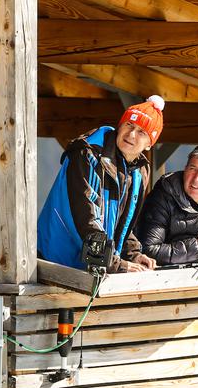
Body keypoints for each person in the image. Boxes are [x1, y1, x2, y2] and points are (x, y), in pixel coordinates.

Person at [37, 96, 164, 273]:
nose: (131, 135)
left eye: (141, 132)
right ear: (120, 125)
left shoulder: (139, 171)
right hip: (56, 262)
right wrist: (116, 264)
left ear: (150, 144)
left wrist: (132, 253)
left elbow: (121, 221)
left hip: (91, 268)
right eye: (129, 125)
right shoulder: (88, 155)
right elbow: (86, 218)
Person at [135, 144, 198, 266]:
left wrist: (188, 255)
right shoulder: (164, 192)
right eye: (192, 169)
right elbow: (148, 251)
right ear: (184, 169)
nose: (196, 178)